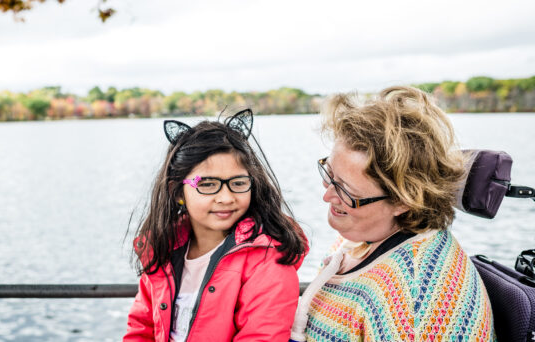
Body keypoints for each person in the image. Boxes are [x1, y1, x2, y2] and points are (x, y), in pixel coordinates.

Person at [290, 86, 495, 341]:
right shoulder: (369, 232)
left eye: (345, 190)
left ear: (403, 200)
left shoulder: (416, 309)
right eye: (330, 174)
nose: (327, 195)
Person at [123, 109, 308, 342]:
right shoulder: (162, 249)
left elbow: (262, 336)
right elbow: (141, 329)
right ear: (178, 192)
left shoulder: (267, 258)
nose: (226, 197)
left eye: (238, 183)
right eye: (208, 184)